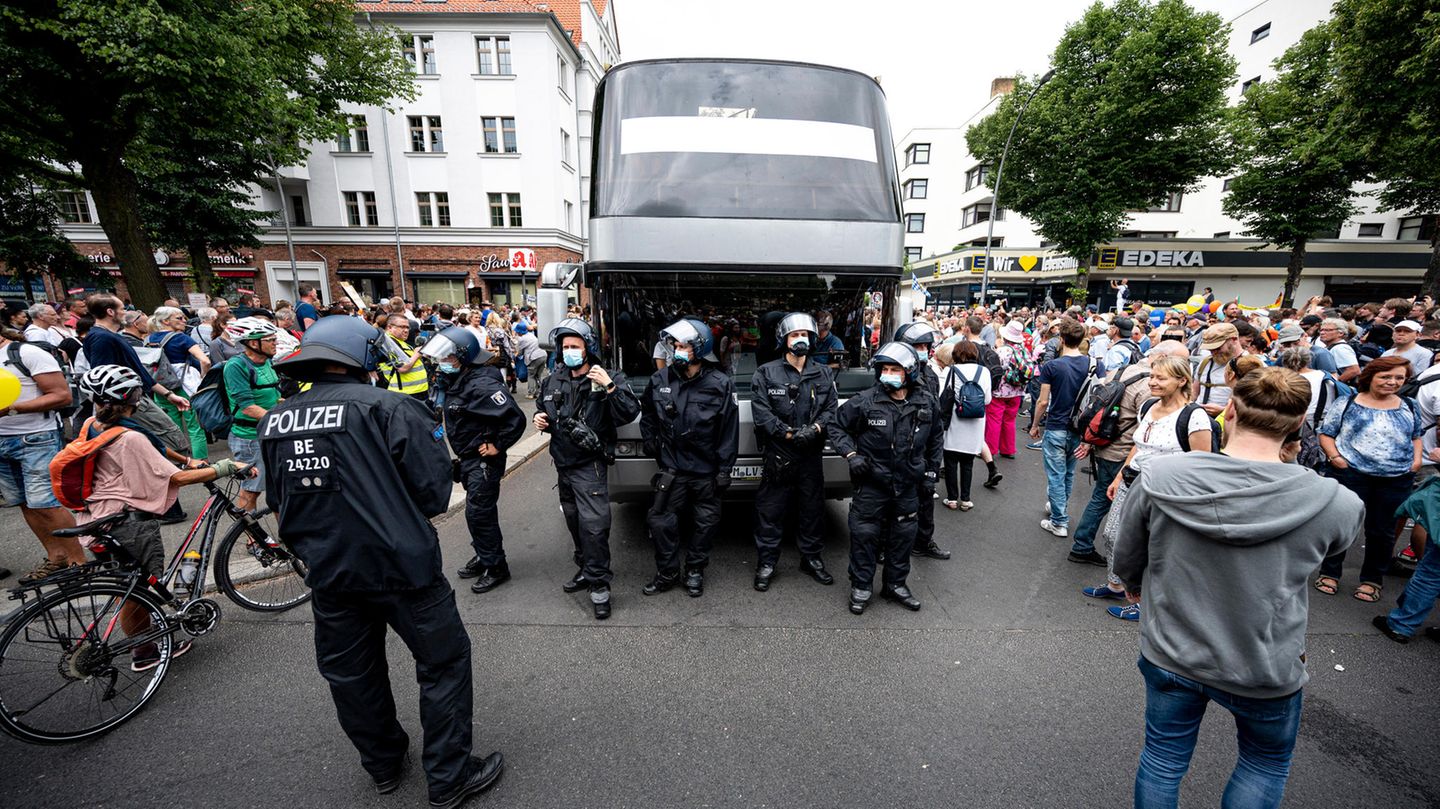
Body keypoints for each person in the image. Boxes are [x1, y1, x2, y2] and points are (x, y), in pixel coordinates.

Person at [258, 316, 503, 806]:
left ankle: (384, 765)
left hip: (329, 570)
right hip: (402, 568)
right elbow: (433, 493)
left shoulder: (276, 419)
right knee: (443, 664)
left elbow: (279, 496)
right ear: (365, 356)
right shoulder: (393, 408)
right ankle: (449, 778)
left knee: (352, 673)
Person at [1112, 367, 1363, 809]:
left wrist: (1134, 586)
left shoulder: (1162, 477)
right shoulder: (1336, 502)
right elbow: (1331, 549)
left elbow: (1129, 552)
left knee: (1163, 758)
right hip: (1265, 664)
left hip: (1173, 650)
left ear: (1229, 410)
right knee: (1263, 763)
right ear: (1298, 424)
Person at [74, 366, 249, 671]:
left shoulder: (92, 424)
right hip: (127, 522)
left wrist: (185, 457)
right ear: (134, 398)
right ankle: (144, 652)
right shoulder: (130, 438)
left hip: (94, 517)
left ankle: (146, 633)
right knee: (137, 590)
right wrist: (226, 467)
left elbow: (154, 448)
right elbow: (178, 479)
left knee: (126, 583)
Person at [1083, 354, 1213, 619]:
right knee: (1112, 535)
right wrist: (1120, 475)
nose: (1152, 382)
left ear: (1180, 381)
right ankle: (1117, 585)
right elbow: (1139, 445)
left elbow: (1202, 463)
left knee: (1153, 547)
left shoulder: (1194, 416)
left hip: (1166, 490)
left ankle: (1145, 602)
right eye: (1152, 376)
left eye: (1160, 378)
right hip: (1133, 479)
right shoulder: (1149, 406)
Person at [534, 318, 641, 618]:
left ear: (587, 348)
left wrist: (608, 386)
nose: (569, 351)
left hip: (590, 466)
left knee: (594, 527)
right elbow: (544, 409)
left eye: (575, 346)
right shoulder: (553, 379)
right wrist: (539, 419)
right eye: (565, 346)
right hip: (563, 465)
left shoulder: (605, 377)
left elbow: (628, 413)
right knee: (574, 521)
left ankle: (599, 587)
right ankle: (585, 568)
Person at [828, 341, 943, 614]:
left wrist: (930, 472)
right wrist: (851, 455)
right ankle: (861, 586)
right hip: (872, 483)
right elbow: (836, 425)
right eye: (885, 368)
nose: (888, 374)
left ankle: (895, 585)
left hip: (908, 484)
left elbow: (936, 438)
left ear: (910, 372)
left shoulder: (926, 402)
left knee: (903, 535)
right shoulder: (865, 401)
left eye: (895, 369)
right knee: (865, 534)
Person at [639, 318, 739, 598]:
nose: (676, 350)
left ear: (700, 347)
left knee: (705, 523)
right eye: (674, 344)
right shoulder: (660, 379)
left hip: (706, 469)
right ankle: (667, 571)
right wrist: (650, 440)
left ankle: (694, 569)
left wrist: (725, 469)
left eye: (683, 345)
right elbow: (647, 413)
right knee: (660, 521)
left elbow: (728, 429)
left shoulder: (719, 383)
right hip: (672, 468)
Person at [1069, 341, 1191, 568]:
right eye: (1180, 360)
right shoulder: (1148, 385)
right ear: (1163, 358)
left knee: (1101, 497)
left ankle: (1085, 544)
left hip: (1104, 443)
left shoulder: (1122, 369)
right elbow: (1152, 423)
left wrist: (1088, 440)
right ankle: (1088, 547)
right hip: (1125, 451)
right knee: (1110, 502)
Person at [424, 326, 526, 595]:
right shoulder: (460, 378)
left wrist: (497, 446)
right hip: (468, 459)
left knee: (479, 513)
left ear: (464, 356)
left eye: (448, 359)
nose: (443, 364)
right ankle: (484, 555)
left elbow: (515, 419)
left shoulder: (481, 385)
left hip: (483, 462)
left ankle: (496, 566)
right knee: (476, 513)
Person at [1315, 355, 1423, 603]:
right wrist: (1335, 458)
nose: (1392, 382)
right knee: (1342, 524)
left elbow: (1416, 436)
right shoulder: (1348, 402)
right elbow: (1327, 434)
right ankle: (1330, 573)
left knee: (1382, 532)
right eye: (1386, 376)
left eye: (1399, 378)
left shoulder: (1409, 405)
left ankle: (1372, 580)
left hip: (1396, 478)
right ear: (1371, 376)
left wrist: (1416, 461)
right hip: (1351, 474)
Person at [749, 313, 839, 590]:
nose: (800, 340)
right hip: (779, 454)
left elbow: (830, 409)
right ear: (784, 340)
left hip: (810, 454)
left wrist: (813, 430)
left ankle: (811, 558)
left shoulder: (823, 373)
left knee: (812, 510)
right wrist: (788, 434)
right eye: (794, 335)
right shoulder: (766, 372)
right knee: (771, 511)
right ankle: (767, 562)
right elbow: (761, 413)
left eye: (804, 335)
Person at [0, 328, 81, 583]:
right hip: (1, 442)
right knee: (23, 501)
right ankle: (56, 556)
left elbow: (61, 395)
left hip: (36, 438)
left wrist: (11, 410)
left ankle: (79, 562)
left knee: (45, 503)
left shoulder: (25, 352)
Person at [80, 294, 192, 415]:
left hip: (133, 399)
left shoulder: (110, 336)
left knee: (169, 431)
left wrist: (168, 394)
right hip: (126, 404)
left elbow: (138, 370)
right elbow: (102, 379)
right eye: (122, 309)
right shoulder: (101, 338)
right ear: (110, 312)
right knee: (169, 432)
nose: (125, 313)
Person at [1030, 319, 1092, 538]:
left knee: (1056, 475)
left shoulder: (1052, 366)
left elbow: (1043, 401)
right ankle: (1059, 509)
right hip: (1080, 427)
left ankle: (1059, 521)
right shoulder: (1093, 364)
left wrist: (1035, 425)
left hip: (1057, 425)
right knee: (1068, 472)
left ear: (1062, 340)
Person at [894, 321, 950, 559]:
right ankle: (887, 546)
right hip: (900, 450)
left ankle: (923, 542)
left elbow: (936, 425)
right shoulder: (891, 373)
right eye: (918, 345)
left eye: (926, 346)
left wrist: (933, 466)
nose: (923, 350)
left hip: (924, 450)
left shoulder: (930, 376)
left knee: (926, 499)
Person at [223, 317, 283, 514]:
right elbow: (248, 407)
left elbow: (274, 396)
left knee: (279, 487)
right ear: (252, 343)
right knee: (252, 489)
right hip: (249, 437)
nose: (276, 343)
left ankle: (286, 535)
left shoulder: (267, 361)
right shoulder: (236, 366)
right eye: (270, 339)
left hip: (270, 430)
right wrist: (283, 421)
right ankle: (252, 541)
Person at [147, 306, 211, 461]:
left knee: (172, 428)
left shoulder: (149, 339)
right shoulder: (181, 338)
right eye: (179, 318)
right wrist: (202, 376)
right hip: (186, 386)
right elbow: (205, 360)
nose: (185, 320)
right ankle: (201, 462)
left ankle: (180, 461)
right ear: (165, 321)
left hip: (161, 387)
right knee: (195, 427)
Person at [939, 340, 991, 511]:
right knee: (968, 462)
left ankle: (952, 498)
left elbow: (945, 395)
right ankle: (966, 499)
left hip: (955, 420)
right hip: (975, 422)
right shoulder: (984, 371)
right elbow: (988, 399)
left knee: (951, 461)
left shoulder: (952, 370)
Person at [987, 320, 1029, 459]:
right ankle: (1008, 449)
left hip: (1000, 391)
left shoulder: (1002, 350)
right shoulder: (1024, 350)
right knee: (1010, 420)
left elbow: (995, 369)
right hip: (1017, 390)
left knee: (994, 420)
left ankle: (990, 449)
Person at [377, 314, 429, 400]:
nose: (406, 330)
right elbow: (402, 368)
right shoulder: (388, 343)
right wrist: (417, 354)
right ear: (389, 327)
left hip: (415, 392)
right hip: (405, 394)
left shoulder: (399, 342)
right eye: (402, 327)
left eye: (408, 327)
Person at [1193, 323, 1240, 417]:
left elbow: (1256, 406)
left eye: (1218, 348)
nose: (1213, 352)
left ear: (1234, 340)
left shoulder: (1252, 365)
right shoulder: (1205, 363)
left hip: (1230, 422)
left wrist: (1224, 411)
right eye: (1210, 349)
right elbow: (1194, 392)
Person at [1317, 317, 1360, 383]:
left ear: (1341, 333)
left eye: (1328, 330)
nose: (1322, 333)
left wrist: (1336, 385)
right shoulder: (1333, 347)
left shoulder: (1340, 348)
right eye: (1321, 330)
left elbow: (1354, 370)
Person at [516, 322, 548, 399]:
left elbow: (520, 352)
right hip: (543, 354)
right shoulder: (531, 334)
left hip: (534, 357)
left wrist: (515, 355)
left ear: (519, 331)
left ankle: (531, 393)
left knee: (531, 375)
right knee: (538, 375)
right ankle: (539, 392)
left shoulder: (522, 339)